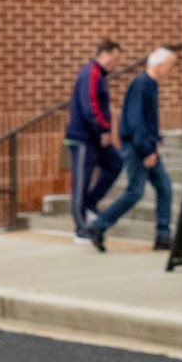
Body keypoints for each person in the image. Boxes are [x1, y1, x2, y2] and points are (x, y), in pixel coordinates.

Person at [81, 46, 177, 251]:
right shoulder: (142, 84)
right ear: (159, 65)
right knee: (134, 192)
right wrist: (147, 150)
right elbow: (135, 121)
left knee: (164, 187)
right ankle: (97, 226)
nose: (171, 70)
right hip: (137, 147)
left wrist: (155, 142)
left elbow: (147, 120)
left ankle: (163, 235)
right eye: (170, 65)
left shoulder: (149, 84)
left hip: (146, 145)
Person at [61, 40, 123, 237]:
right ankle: (81, 227)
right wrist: (103, 129)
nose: (116, 63)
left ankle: (90, 203)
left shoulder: (99, 75)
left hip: (95, 137)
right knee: (82, 180)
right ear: (104, 54)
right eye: (114, 58)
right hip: (83, 137)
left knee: (116, 163)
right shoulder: (91, 73)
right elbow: (91, 106)